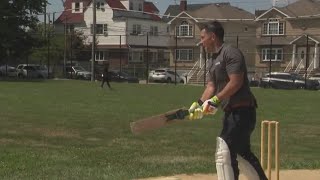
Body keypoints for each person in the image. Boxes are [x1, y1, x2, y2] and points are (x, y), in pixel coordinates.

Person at [188, 21, 268, 180]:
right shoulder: (213, 60)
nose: (200, 41)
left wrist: (216, 100)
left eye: (203, 37)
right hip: (231, 114)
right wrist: (198, 103)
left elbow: (236, 82)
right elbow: (211, 86)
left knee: (224, 151)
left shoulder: (231, 53)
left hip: (243, 112)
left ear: (212, 37)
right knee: (242, 153)